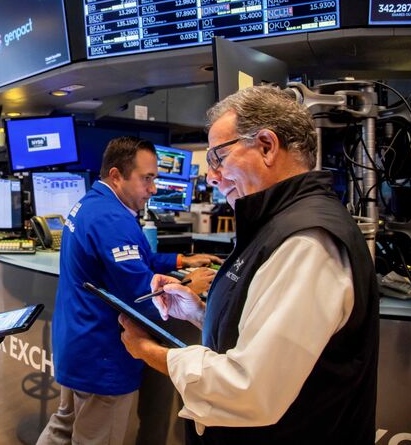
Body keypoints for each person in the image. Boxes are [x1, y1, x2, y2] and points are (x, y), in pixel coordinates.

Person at [119, 86, 379, 444]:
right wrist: (200, 313)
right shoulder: (277, 223)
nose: (210, 176)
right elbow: (260, 327)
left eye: (217, 157)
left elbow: (250, 387)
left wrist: (151, 353)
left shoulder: (306, 242)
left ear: (267, 146)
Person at [37, 137, 221, 445]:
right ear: (116, 175)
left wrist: (180, 260)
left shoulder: (92, 204)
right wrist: (190, 285)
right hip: (104, 354)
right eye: (147, 179)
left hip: (78, 344)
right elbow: (142, 299)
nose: (152, 188)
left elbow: (136, 259)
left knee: (64, 427)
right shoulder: (113, 218)